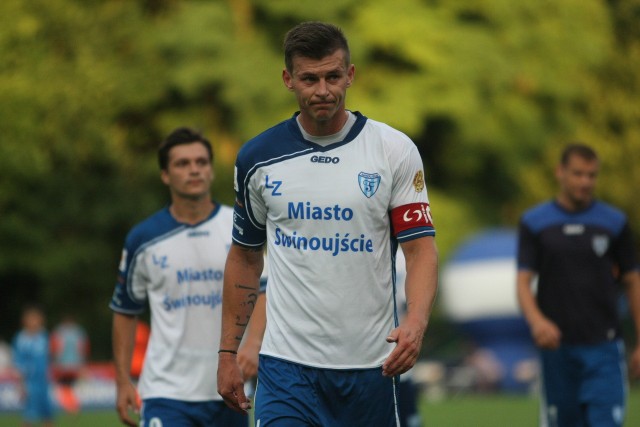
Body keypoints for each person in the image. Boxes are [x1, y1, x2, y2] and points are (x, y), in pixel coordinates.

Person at [217, 21, 438, 427]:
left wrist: (416, 323)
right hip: (287, 368)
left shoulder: (393, 151)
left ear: (350, 75)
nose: (323, 90)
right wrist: (227, 354)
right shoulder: (257, 158)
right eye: (309, 78)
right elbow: (245, 259)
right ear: (288, 79)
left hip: (371, 367)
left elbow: (420, 248)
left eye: (333, 76)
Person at [109, 127, 247, 427]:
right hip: (165, 392)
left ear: (211, 170)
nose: (194, 169)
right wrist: (122, 381)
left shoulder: (238, 229)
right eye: (182, 164)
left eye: (201, 162)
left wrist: (251, 347)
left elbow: (262, 292)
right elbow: (125, 310)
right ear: (165, 175)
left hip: (228, 388)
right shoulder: (143, 238)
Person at [517, 143, 640, 427]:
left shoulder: (614, 222)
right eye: (578, 174)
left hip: (605, 349)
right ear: (560, 172)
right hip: (557, 351)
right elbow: (523, 281)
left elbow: (633, 281)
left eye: (591, 175)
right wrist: (537, 322)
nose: (585, 182)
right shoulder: (535, 223)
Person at [12, 305, 55, 427]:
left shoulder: (44, 336)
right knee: (29, 416)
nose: (35, 322)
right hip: (30, 382)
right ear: (25, 321)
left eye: (37, 319)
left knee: (48, 414)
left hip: (44, 382)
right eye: (32, 319)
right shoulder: (21, 339)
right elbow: (18, 364)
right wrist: (21, 384)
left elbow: (48, 358)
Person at [50, 314, 89, 414]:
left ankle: (70, 406)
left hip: (64, 365)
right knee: (70, 386)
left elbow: (54, 349)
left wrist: (55, 363)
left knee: (66, 386)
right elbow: (84, 349)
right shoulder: (78, 332)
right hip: (73, 365)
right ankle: (71, 406)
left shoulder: (59, 331)